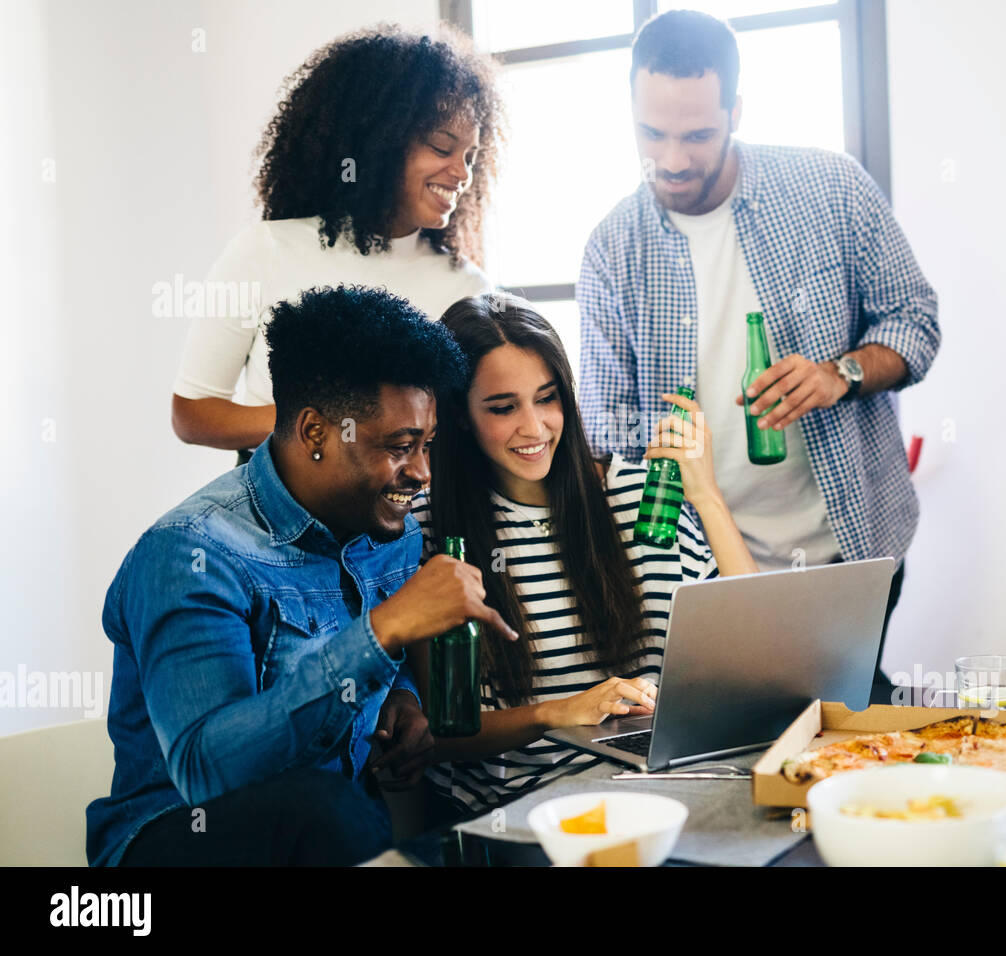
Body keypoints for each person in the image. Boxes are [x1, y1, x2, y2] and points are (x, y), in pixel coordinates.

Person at [87, 286, 515, 866]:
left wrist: (405, 702)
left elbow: (377, 682)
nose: (422, 473)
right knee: (321, 806)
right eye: (399, 446)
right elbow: (207, 775)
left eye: (428, 445)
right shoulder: (192, 553)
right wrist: (384, 630)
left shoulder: (392, 534)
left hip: (333, 840)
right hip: (175, 843)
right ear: (317, 433)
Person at [576, 10, 940, 690]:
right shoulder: (610, 250)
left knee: (847, 728)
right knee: (744, 751)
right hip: (704, 568)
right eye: (652, 134)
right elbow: (607, 438)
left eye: (698, 135)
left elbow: (915, 320)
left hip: (852, 548)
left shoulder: (831, 188)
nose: (674, 159)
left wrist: (842, 374)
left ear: (736, 110)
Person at [411, 293, 756, 812]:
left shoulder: (640, 496)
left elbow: (761, 650)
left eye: (547, 398)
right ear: (459, 414)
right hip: (529, 807)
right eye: (504, 408)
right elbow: (443, 735)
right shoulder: (429, 531)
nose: (534, 427)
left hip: (673, 784)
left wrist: (706, 496)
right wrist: (559, 711)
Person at [171, 25, 503, 459]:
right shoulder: (264, 251)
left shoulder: (468, 289)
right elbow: (193, 414)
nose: (462, 174)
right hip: (275, 522)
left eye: (471, 158)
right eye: (442, 147)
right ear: (379, 141)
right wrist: (328, 423)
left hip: (415, 522)